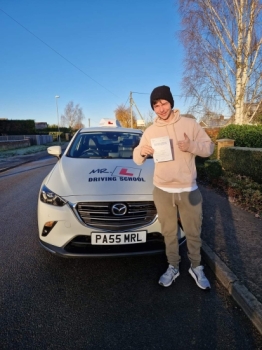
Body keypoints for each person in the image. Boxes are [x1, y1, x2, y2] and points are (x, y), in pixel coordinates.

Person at [133, 85, 214, 290]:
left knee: (193, 231)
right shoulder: (150, 131)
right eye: (156, 105)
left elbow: (209, 148)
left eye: (164, 103)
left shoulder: (190, 124)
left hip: (188, 189)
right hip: (162, 190)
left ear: (171, 102)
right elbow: (137, 159)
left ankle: (196, 267)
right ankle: (173, 266)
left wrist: (191, 147)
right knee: (169, 232)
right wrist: (142, 150)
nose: (161, 108)